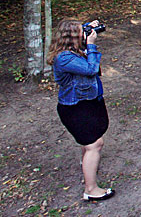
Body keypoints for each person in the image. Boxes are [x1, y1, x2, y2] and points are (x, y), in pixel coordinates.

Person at [48, 19, 115, 202]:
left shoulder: (73, 51)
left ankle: (87, 166)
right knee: (95, 144)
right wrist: (91, 45)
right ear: (71, 37)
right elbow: (91, 69)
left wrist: (87, 28)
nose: (85, 35)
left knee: (90, 143)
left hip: (86, 103)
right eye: (81, 32)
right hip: (75, 108)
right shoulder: (64, 58)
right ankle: (91, 189)